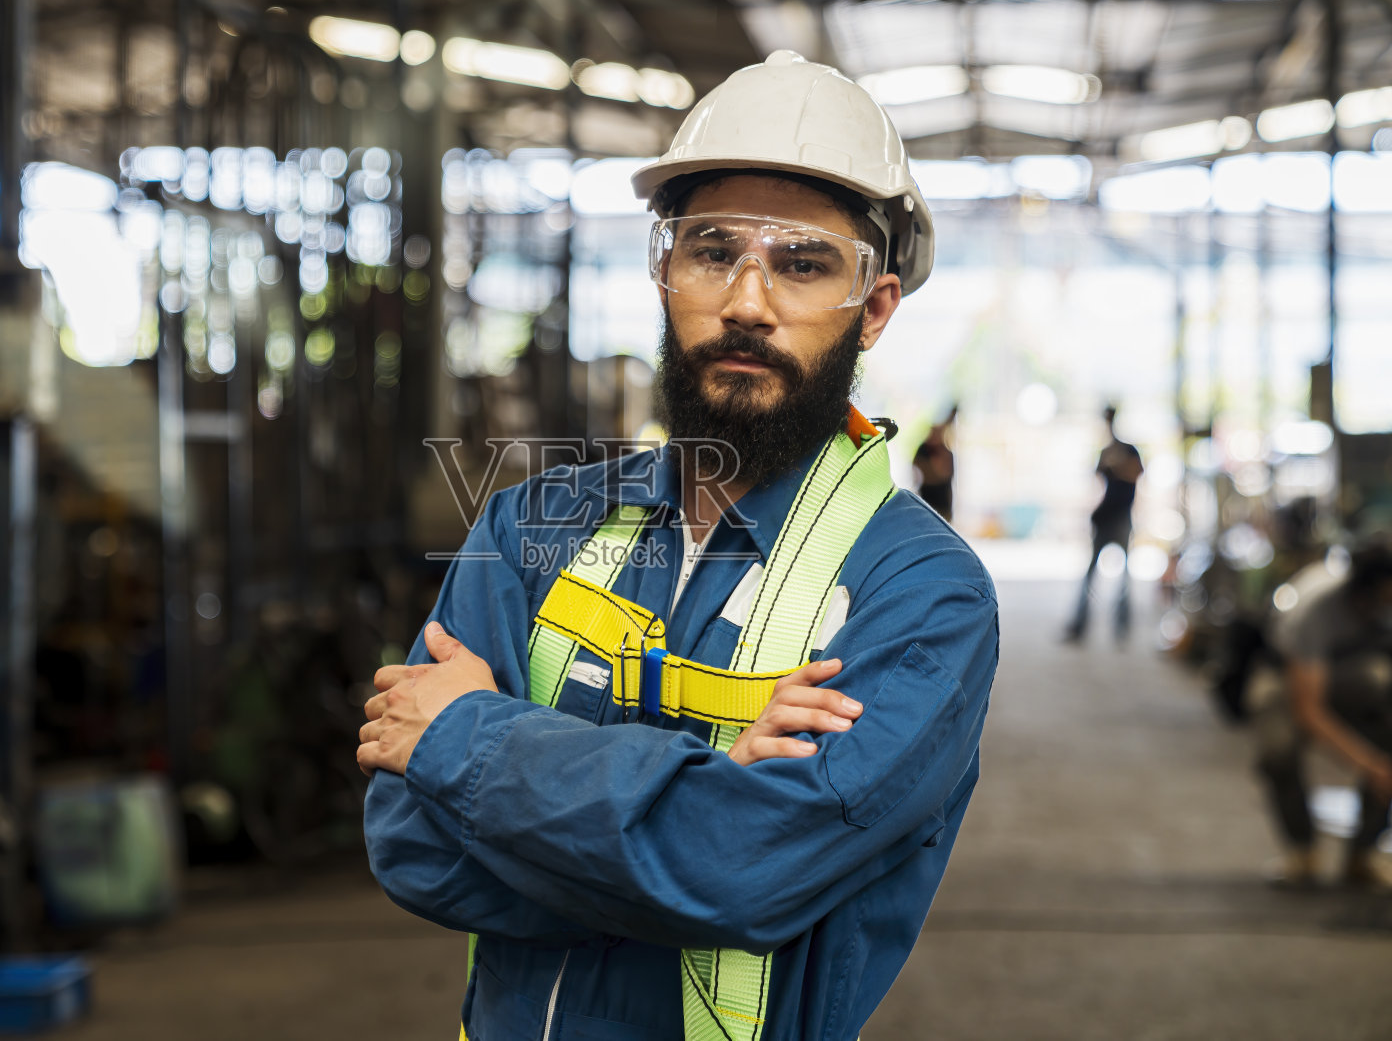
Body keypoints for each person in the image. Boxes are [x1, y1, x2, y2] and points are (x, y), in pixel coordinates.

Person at [358, 50, 998, 1041]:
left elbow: (746, 871)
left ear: (872, 307)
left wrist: (469, 740)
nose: (748, 300)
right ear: (663, 269)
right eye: (712, 250)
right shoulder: (528, 527)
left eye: (802, 263)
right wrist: (692, 816)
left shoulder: (918, 595)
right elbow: (410, 841)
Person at [1255, 541, 1392, 890]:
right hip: (1287, 678)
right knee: (1277, 750)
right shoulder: (1317, 610)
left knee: (1378, 684)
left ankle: (1363, 855)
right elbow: (1308, 710)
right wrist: (1369, 764)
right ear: (1366, 589)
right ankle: (1303, 852)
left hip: (1355, 675)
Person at [1063, 404, 1142, 643]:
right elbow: (1098, 477)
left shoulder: (1127, 450)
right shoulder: (1108, 451)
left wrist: (1116, 466)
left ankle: (1121, 629)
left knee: (1124, 579)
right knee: (1091, 575)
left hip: (1121, 518)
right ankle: (1080, 626)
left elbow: (1136, 472)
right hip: (1106, 517)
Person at [912, 405, 957, 522]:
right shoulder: (923, 449)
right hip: (927, 504)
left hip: (943, 505)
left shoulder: (944, 450)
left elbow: (944, 474)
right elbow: (922, 473)